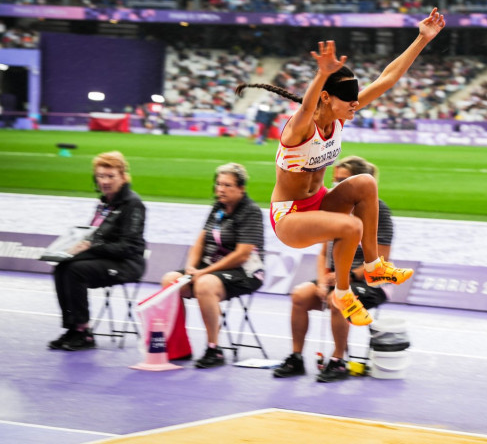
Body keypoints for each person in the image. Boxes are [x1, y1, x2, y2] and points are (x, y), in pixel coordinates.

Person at [235, 7, 445, 327]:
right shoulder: (299, 128)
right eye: (348, 100)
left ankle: (374, 265)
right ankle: (343, 293)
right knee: (350, 227)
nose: (355, 104)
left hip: (318, 202)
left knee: (365, 183)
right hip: (290, 216)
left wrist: (421, 38)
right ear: (326, 98)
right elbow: (306, 106)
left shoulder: (340, 116)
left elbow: (387, 78)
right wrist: (321, 73)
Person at [273, 156, 393, 383]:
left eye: (343, 181)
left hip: (366, 281)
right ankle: (296, 357)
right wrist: (321, 280)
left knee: (339, 300)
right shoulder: (335, 207)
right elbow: (323, 253)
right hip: (334, 277)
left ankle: (338, 361)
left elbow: (381, 258)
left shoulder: (378, 211)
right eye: (336, 180)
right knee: (299, 295)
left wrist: (343, 277)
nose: (337, 186)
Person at [161, 163, 265, 369]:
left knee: (205, 285)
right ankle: (178, 347)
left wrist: (203, 272)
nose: (221, 189)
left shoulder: (251, 212)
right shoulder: (217, 208)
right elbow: (200, 241)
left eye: (227, 185)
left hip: (244, 272)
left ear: (241, 188)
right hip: (209, 268)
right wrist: (191, 268)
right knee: (170, 280)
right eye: (218, 184)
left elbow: (242, 254)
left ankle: (213, 348)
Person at [48, 151, 146, 351]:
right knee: (62, 267)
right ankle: (73, 328)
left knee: (75, 271)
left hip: (127, 264)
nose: (105, 181)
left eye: (111, 176)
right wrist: (75, 245)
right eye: (101, 176)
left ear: (123, 176)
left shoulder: (133, 204)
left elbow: (128, 246)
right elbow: (93, 234)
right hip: (105, 258)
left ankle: (84, 333)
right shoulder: (104, 202)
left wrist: (92, 246)